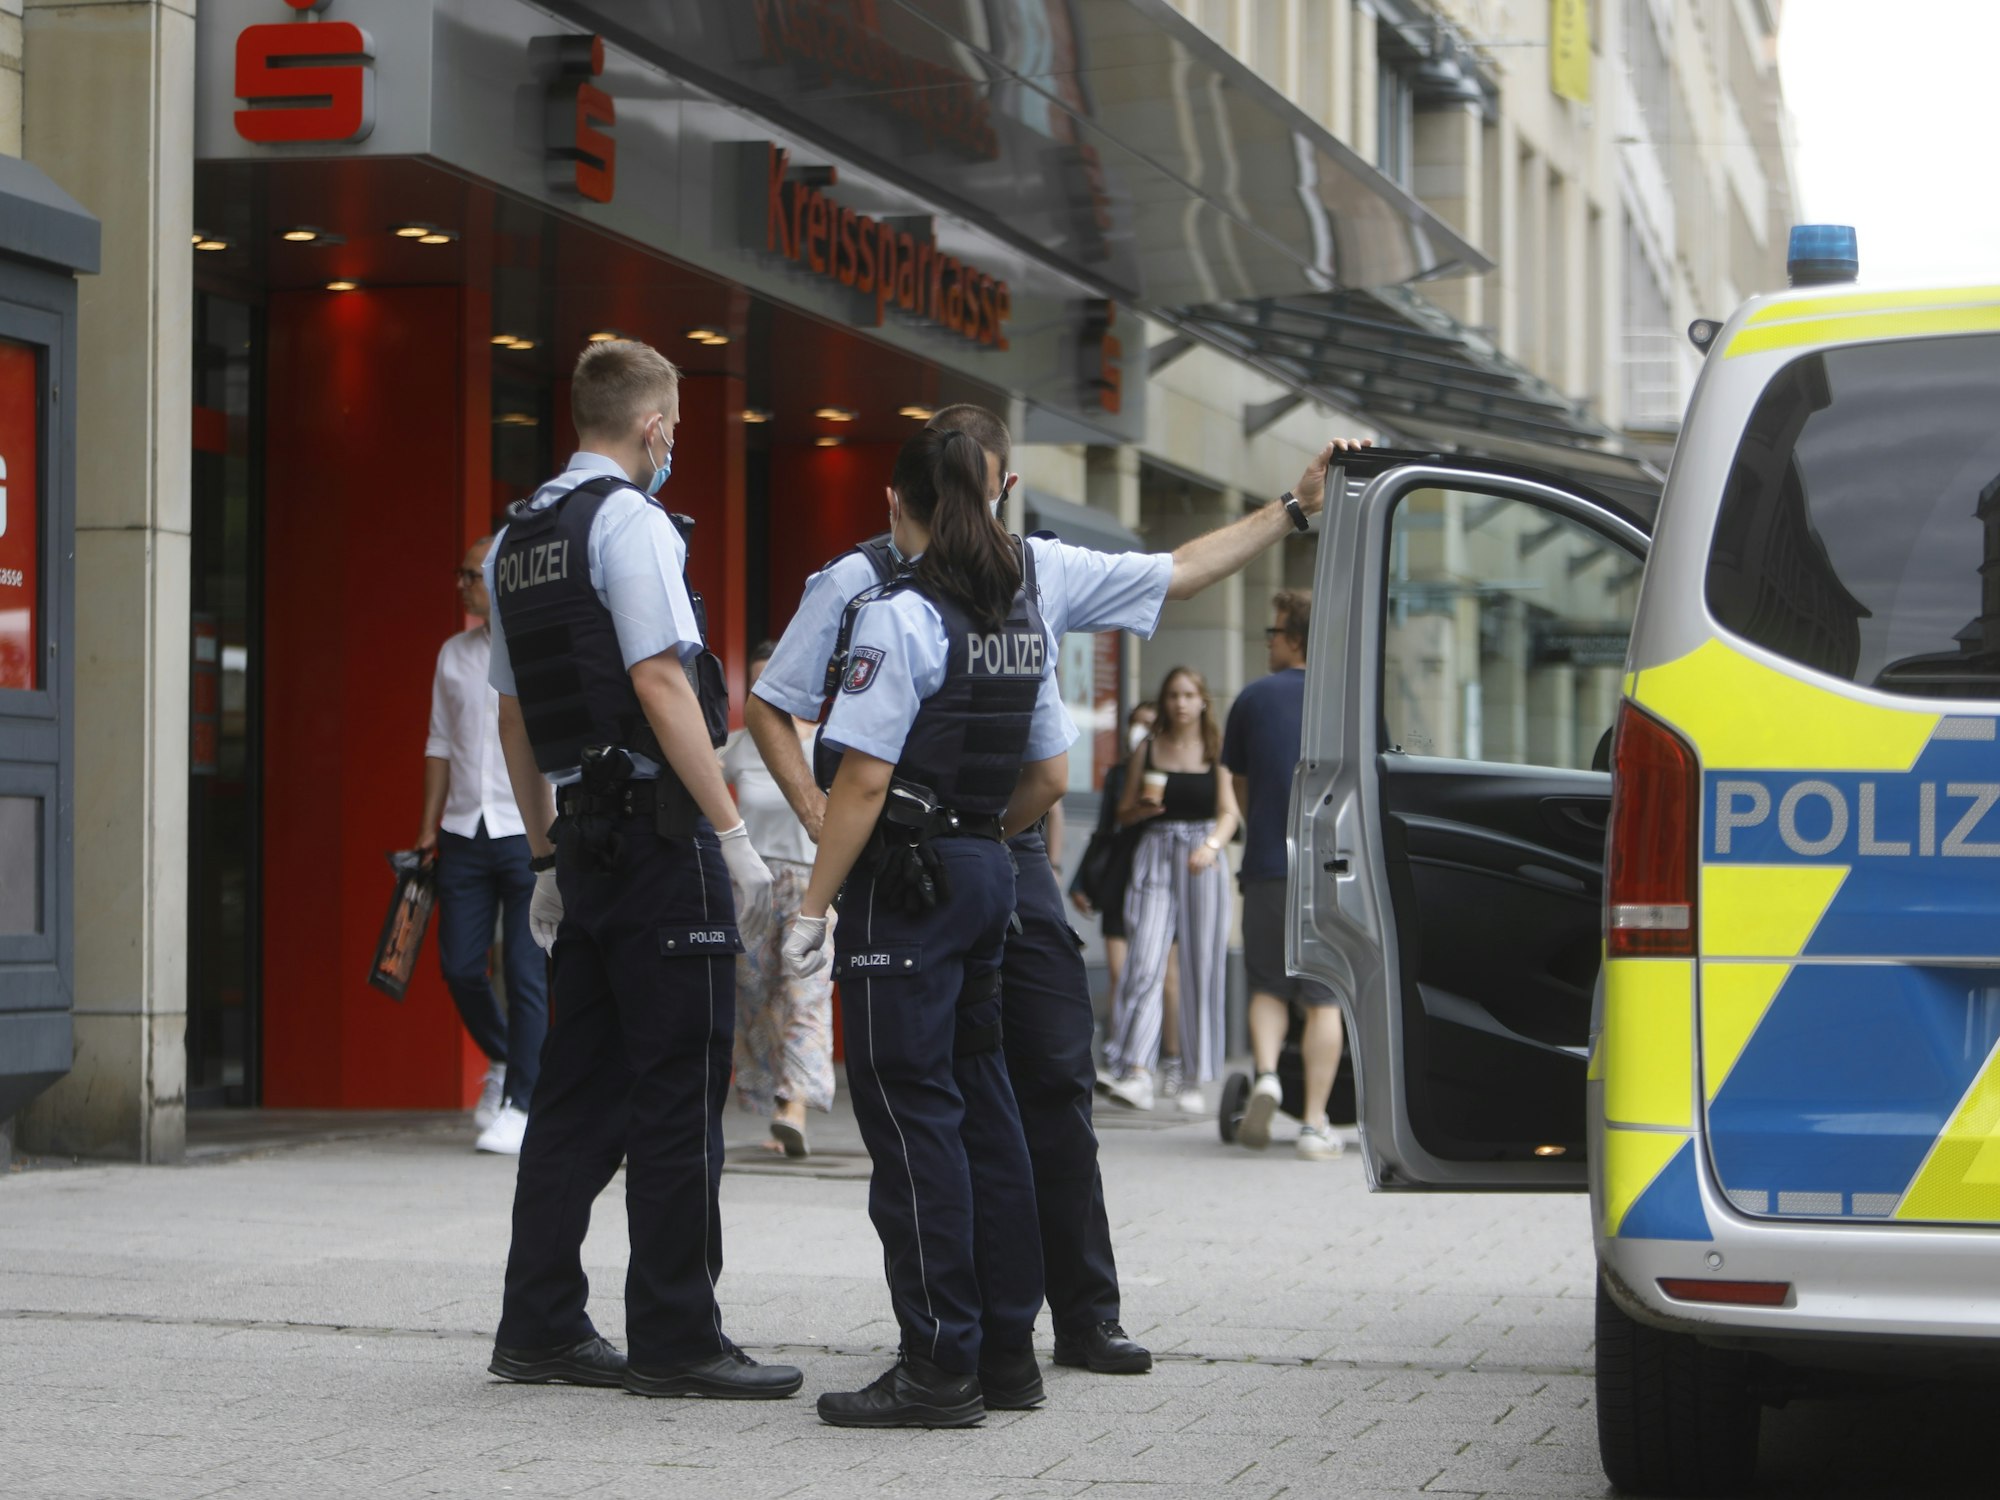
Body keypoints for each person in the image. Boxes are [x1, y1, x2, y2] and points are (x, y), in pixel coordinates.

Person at [749, 404, 1368, 1382]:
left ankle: (1061, 1319)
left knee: (1035, 1083)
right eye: (978, 487)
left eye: (996, 490)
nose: (989, 506)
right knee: (961, 1096)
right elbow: (776, 704)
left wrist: (1291, 512)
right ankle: (992, 1342)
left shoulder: (1027, 573)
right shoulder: (860, 583)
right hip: (939, 861)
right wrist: (825, 822)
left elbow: (1178, 574)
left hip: (987, 862)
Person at [480, 339, 798, 1401]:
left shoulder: (513, 541)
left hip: (584, 842)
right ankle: (676, 1337)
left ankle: (538, 1326)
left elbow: (515, 715)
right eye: (675, 428)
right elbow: (661, 678)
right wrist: (730, 836)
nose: (674, 444)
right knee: (676, 1092)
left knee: (575, 1092)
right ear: (654, 424)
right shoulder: (630, 523)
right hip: (662, 847)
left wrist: (541, 856)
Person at [779, 426, 1052, 1426]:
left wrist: (813, 908)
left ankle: (937, 1364)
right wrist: (976, 847)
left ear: (901, 506)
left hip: (908, 887)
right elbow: (1049, 777)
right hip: (986, 867)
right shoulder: (1019, 613)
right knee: (984, 1108)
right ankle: (1007, 1355)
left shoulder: (899, 614)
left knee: (908, 1118)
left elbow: (861, 779)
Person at [415, 536, 547, 1155]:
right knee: (460, 967)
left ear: (498, 581)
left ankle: (523, 1102)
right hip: (464, 831)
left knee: (526, 972)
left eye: (470, 575)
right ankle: (502, 1057)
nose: (461, 584)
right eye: (460, 572)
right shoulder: (452, 655)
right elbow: (439, 744)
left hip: (526, 831)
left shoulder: (536, 652)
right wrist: (426, 827)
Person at [1223, 591, 1346, 1160]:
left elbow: (1240, 787)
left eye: (1273, 632)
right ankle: (1315, 1122)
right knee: (1324, 995)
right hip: (1330, 869)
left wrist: (1265, 829)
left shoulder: (1251, 699)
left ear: (1294, 637)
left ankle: (1268, 1076)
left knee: (1268, 984)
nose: (1267, 641)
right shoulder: (1346, 702)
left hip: (1269, 865)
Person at [1103, 667, 1240, 1114]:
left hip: (1203, 856)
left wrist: (1212, 845)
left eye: (1188, 695)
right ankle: (1138, 1070)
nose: (1180, 703)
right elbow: (1123, 814)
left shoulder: (1217, 749)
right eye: (1172, 695)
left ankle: (1194, 1079)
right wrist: (1142, 809)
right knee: (1144, 958)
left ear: (1202, 701)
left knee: (1202, 964)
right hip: (1156, 849)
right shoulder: (1148, 747)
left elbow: (1229, 813)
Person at [721, 641, 834, 1157]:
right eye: (758, 683)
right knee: (754, 992)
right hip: (751, 885)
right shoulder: (738, 746)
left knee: (805, 992)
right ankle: (776, 1100)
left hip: (814, 881)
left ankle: (796, 1108)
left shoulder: (828, 744)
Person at [1070, 702, 1156, 1008]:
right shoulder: (1118, 775)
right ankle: (1120, 1043)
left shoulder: (1167, 773)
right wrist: (1079, 881)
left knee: (1150, 971)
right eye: (1136, 723)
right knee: (1119, 973)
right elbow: (1104, 829)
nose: (1141, 731)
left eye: (1149, 723)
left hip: (1156, 873)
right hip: (1118, 874)